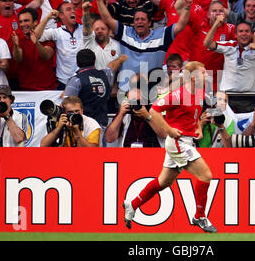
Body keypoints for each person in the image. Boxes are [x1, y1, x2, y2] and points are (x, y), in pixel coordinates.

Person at [122, 61, 218, 233]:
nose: (207, 76)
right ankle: (200, 216)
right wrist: (168, 130)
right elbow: (153, 111)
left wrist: (197, 128)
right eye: (203, 73)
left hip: (187, 140)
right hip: (178, 142)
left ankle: (132, 204)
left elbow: (193, 115)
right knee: (205, 175)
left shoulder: (199, 93)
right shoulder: (178, 94)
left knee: (164, 182)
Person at [94, 0, 192, 92]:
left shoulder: (162, 35)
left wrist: (187, 8)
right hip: (126, 91)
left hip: (153, 91)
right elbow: (107, 19)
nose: (139, 22)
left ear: (149, 22)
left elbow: (180, 26)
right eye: (136, 19)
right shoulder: (125, 32)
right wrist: (99, 1)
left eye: (142, 19)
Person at [204, 17, 255, 112]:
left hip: (248, 98)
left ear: (252, 34)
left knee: (246, 125)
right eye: (241, 31)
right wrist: (216, 24)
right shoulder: (229, 46)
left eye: (247, 31)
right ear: (235, 35)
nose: (244, 34)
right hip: (226, 96)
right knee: (223, 125)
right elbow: (207, 43)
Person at [63, 49, 127, 133]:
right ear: (94, 62)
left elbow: (66, 104)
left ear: (77, 63)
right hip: (101, 123)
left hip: (83, 126)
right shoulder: (106, 75)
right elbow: (112, 66)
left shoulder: (75, 80)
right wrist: (121, 58)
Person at [34, 3, 84, 90]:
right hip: (64, 82)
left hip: (83, 79)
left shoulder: (83, 29)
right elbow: (35, 36)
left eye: (73, 9)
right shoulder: (57, 32)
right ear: (61, 15)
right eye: (68, 9)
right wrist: (48, 17)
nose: (73, 11)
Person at [105, 74, 164, 147]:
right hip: (128, 154)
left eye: (139, 101)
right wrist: (121, 114)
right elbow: (109, 139)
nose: (136, 105)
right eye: (134, 101)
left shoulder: (155, 110)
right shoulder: (126, 113)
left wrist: (148, 117)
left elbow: (165, 135)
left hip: (151, 154)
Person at [11, 8, 57, 91]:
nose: (23, 24)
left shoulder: (46, 37)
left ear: (35, 22)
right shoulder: (19, 39)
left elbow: (47, 56)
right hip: (26, 89)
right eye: (21, 21)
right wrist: (16, 45)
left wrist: (37, 43)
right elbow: (18, 59)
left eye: (26, 21)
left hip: (47, 88)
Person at [82, 1, 121, 70]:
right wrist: (85, 12)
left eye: (103, 29)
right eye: (96, 29)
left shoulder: (117, 46)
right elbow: (87, 27)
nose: (100, 31)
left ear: (109, 30)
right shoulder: (89, 43)